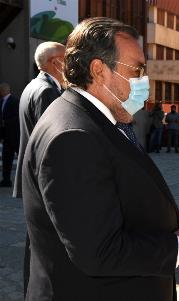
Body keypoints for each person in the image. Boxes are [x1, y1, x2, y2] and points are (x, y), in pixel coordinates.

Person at [22, 17, 179, 301]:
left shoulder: (95, 120)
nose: (144, 81)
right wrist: (178, 248)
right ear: (99, 70)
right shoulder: (73, 137)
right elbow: (97, 251)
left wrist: (172, 228)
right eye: (137, 69)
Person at [12, 41, 65, 296]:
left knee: (35, 240)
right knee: (44, 242)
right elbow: (51, 143)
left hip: (30, 177)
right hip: (42, 180)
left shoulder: (32, 86)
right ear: (56, 62)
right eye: (67, 59)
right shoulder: (46, 91)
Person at [0, 83, 19, 187]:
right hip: (6, 137)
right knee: (6, 159)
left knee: (20, 158)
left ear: (5, 90)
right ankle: (6, 180)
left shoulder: (15, 101)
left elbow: (17, 117)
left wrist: (5, 122)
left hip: (15, 136)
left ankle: (23, 180)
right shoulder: (1, 101)